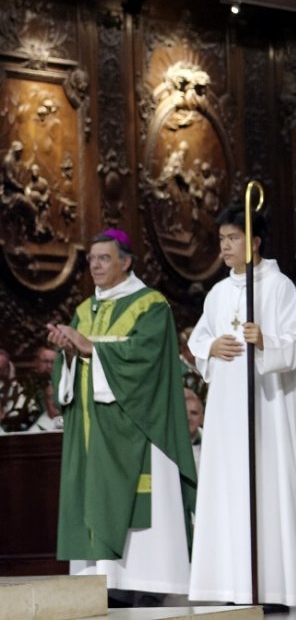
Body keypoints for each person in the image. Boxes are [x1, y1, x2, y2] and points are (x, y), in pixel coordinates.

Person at [45, 229, 195, 605]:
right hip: (93, 432)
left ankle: (148, 583)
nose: (95, 265)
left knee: (143, 506)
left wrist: (91, 348)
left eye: (104, 258)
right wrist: (67, 352)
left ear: (126, 262)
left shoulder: (151, 306)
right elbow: (75, 369)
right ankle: (103, 583)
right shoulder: (83, 310)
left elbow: (147, 359)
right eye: (91, 259)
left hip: (137, 428)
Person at [188, 205, 296, 609]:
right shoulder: (218, 293)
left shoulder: (279, 287)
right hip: (228, 412)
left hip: (268, 410)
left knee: (269, 487)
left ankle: (275, 587)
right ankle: (231, 585)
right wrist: (209, 347)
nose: (225, 246)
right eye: (222, 239)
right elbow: (199, 341)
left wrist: (265, 341)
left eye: (232, 238)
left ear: (255, 242)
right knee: (229, 490)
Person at [184, 388, 204, 474]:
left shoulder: (213, 443)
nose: (188, 418)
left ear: (202, 419)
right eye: (184, 413)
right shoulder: (165, 444)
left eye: (194, 413)